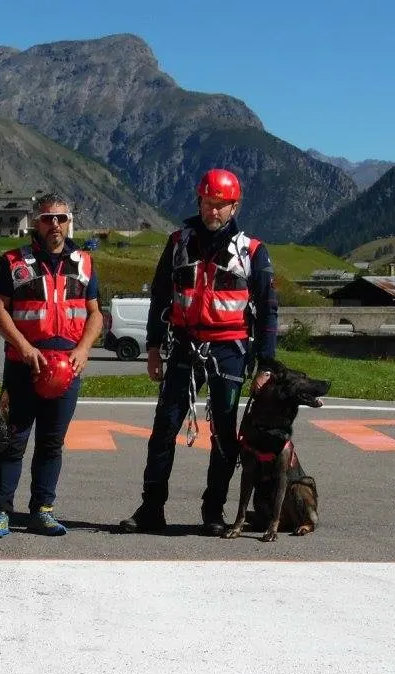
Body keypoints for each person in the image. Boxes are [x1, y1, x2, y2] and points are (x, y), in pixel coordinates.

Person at [119, 168, 278, 536]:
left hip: (230, 349)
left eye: (221, 205)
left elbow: (268, 310)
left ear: (235, 205)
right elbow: (160, 296)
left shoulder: (252, 251)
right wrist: (154, 347)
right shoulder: (177, 243)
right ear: (199, 201)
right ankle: (151, 507)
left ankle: (213, 511)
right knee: (163, 430)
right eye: (208, 203)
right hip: (182, 345)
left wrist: (266, 364)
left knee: (224, 433)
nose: (214, 211)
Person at [0, 193, 102, 538]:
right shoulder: (13, 261)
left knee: (52, 443)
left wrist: (84, 349)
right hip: (24, 365)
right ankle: (0, 510)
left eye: (62, 218)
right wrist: (23, 345)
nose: (56, 225)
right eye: (49, 218)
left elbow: (95, 313)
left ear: (70, 222)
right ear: (36, 221)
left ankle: (42, 510)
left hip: (68, 367)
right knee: (13, 439)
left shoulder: (84, 263)